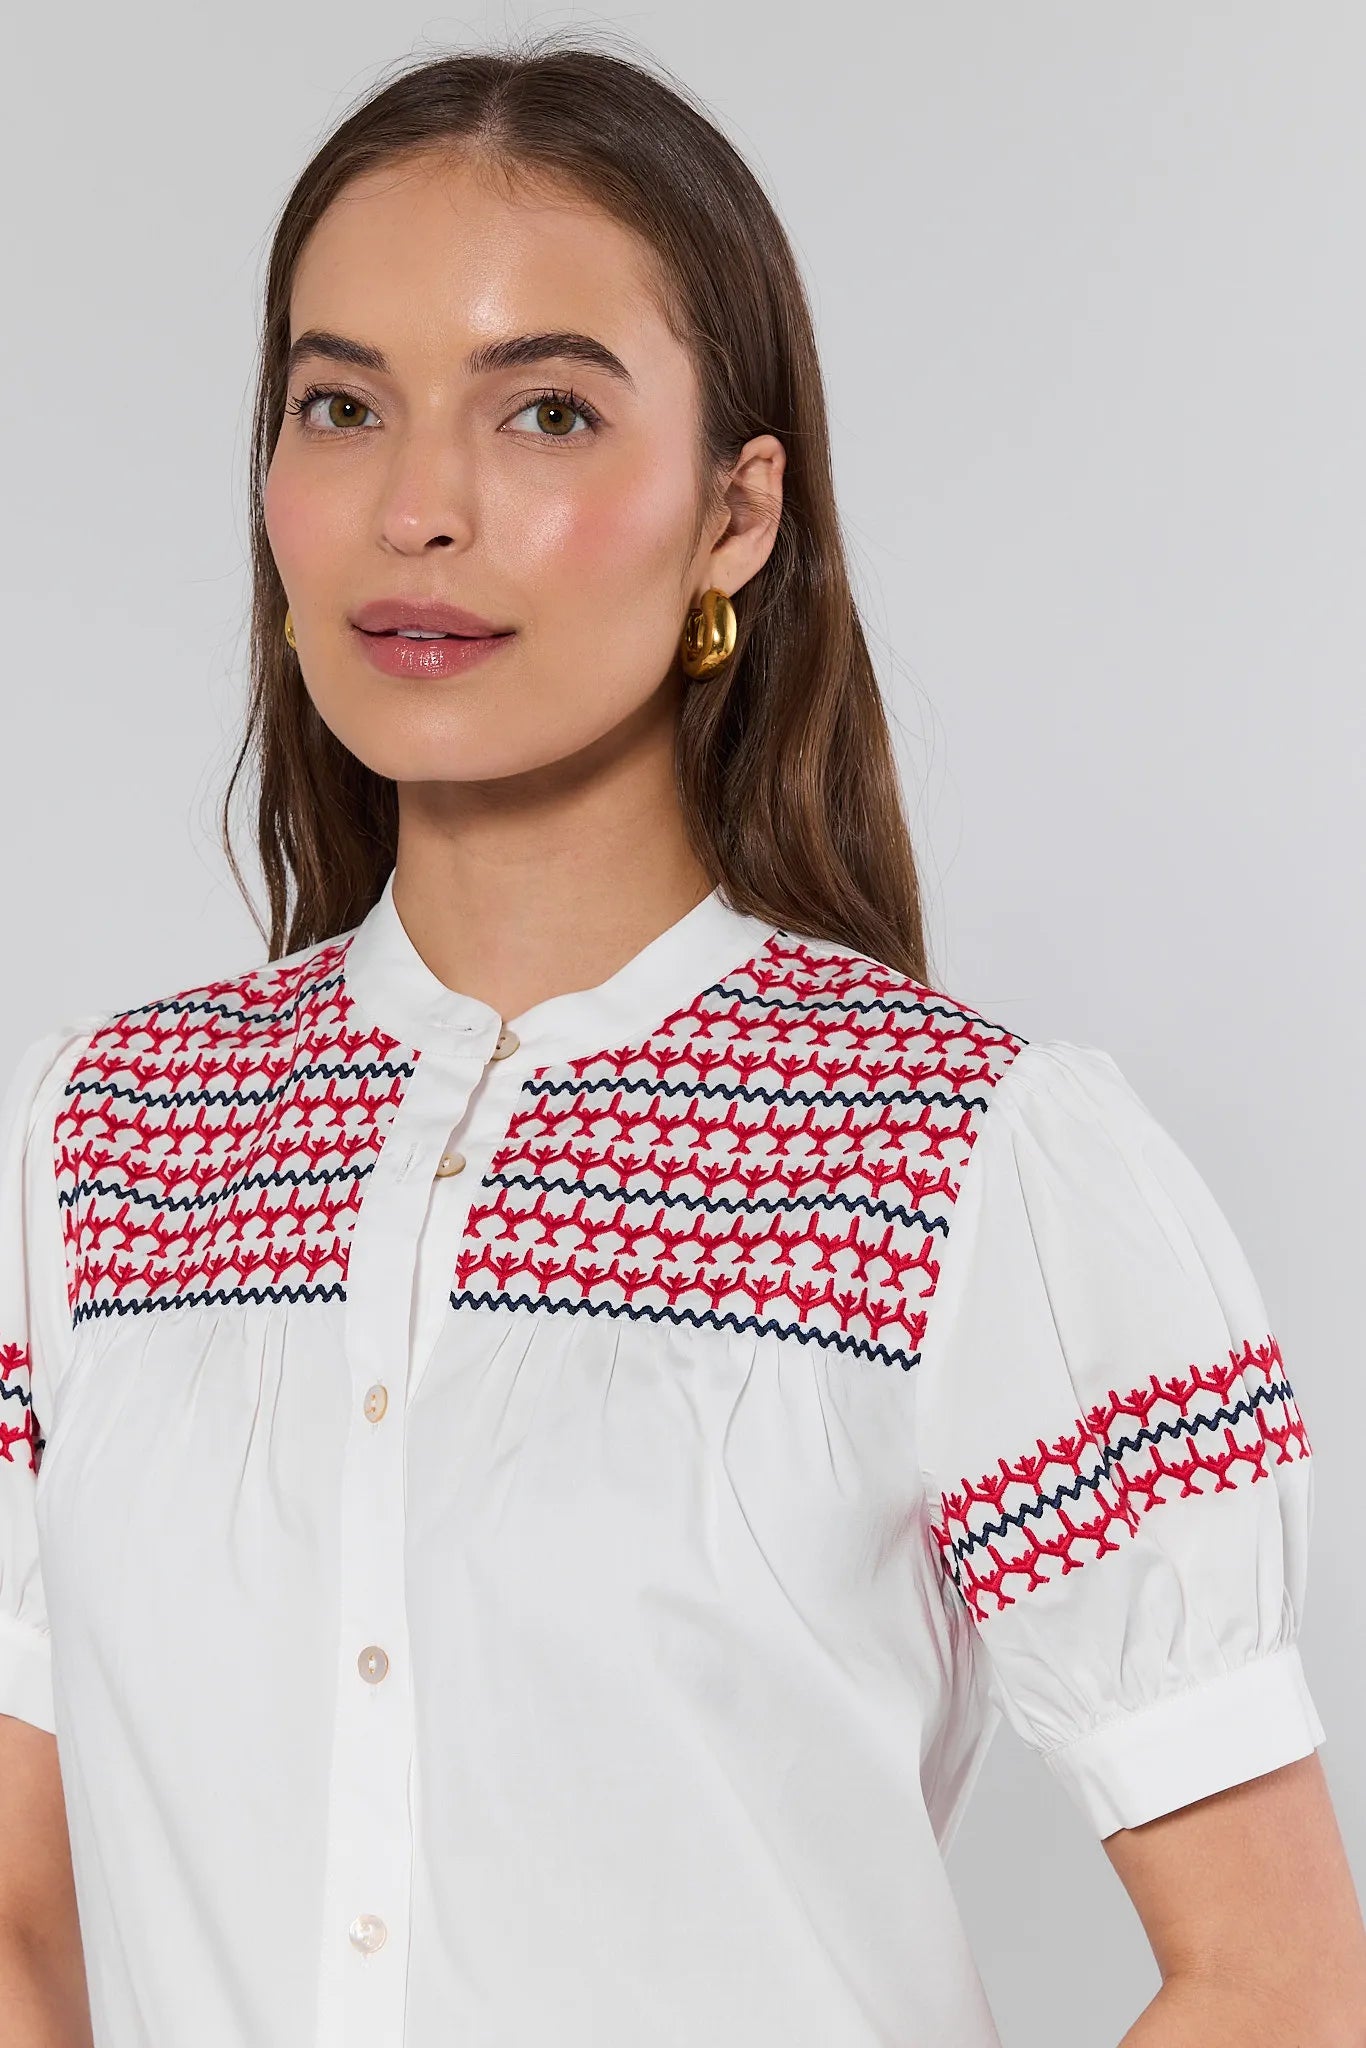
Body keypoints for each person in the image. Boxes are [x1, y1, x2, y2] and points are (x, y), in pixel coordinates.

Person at [1, 34, 1362, 2048]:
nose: (418, 510)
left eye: (544, 409)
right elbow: (28, 1922)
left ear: (733, 514)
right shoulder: (113, 1141)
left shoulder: (963, 1160)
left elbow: (1276, 1976)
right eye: (338, 405)